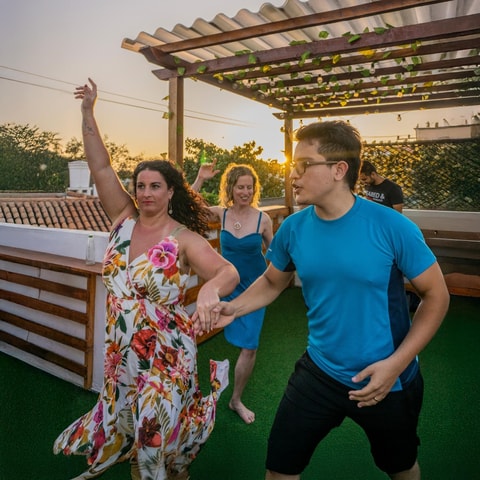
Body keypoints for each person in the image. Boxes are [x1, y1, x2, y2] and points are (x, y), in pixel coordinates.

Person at [197, 120, 450, 480]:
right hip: (320, 371)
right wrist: (233, 308)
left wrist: (396, 364)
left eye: (303, 165)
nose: (293, 175)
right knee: (279, 470)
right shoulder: (293, 228)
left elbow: (436, 296)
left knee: (402, 469)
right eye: (292, 166)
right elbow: (272, 281)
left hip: (387, 379)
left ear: (338, 170)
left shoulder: (392, 227)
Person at [53, 78, 239, 480]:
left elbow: (228, 272)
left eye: (156, 186)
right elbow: (101, 166)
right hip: (122, 356)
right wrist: (87, 111)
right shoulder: (123, 220)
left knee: (152, 441)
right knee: (138, 437)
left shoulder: (183, 239)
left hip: (167, 356)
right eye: (140, 186)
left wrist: (209, 289)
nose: (146, 193)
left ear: (171, 192)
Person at [191, 161, 273, 424]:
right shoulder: (221, 214)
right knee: (195, 329)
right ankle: (187, 393)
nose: (245, 192)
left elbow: (275, 255)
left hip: (253, 290)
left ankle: (235, 400)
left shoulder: (263, 219)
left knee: (249, 347)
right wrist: (200, 179)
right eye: (240, 187)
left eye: (249, 187)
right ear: (231, 188)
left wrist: (270, 282)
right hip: (226, 286)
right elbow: (188, 209)